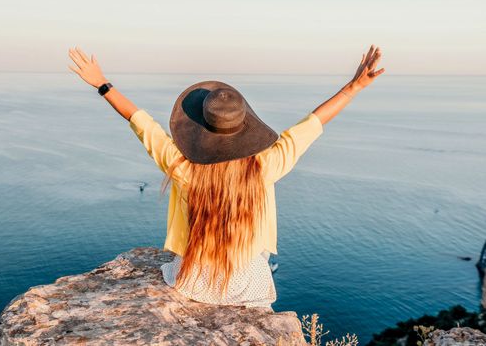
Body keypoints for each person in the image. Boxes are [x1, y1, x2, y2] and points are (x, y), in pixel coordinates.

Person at [67, 45, 384, 310]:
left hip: (195, 281)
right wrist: (353, 87)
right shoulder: (266, 166)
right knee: (258, 272)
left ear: (199, 130)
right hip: (248, 283)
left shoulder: (184, 168)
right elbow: (311, 124)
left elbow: (142, 124)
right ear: (244, 128)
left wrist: (103, 84)